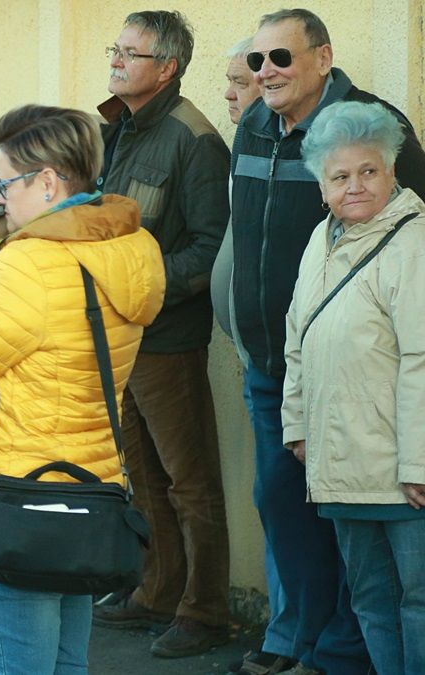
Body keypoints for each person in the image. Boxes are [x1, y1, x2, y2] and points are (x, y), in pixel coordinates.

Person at [0, 104, 165, 675]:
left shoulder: (34, 266)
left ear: (48, 182)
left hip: (15, 503)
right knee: (65, 664)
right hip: (85, 493)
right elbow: (25, 333)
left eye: (6, 182)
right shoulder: (121, 246)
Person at [230, 8, 425, 674]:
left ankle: (339, 652)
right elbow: (286, 315)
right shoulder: (257, 130)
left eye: (279, 58)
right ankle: (306, 643)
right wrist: (288, 402)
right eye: (256, 62)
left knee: (394, 573)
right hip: (294, 393)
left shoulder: (377, 137)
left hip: (377, 413)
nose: (266, 73)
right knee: (294, 517)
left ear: (321, 56)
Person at [91, 10, 233, 659]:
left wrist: (138, 286)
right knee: (141, 473)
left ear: (168, 67)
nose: (116, 61)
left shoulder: (194, 138)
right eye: (116, 49)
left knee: (189, 478)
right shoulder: (116, 127)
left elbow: (210, 251)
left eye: (131, 53)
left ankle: (203, 609)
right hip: (121, 335)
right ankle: (157, 588)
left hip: (167, 337)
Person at [281, 99, 425, 675]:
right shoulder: (321, 240)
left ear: (392, 171)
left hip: (403, 471)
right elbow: (297, 340)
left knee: (418, 602)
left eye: (369, 171)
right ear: (321, 186)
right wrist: (297, 428)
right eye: (340, 176)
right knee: (369, 598)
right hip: (342, 461)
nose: (356, 186)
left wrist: (418, 460)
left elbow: (421, 357)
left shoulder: (414, 244)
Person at [212, 36, 299, 675]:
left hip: (316, 368)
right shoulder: (253, 138)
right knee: (276, 498)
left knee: (321, 510)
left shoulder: (349, 132)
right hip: (262, 360)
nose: (239, 90)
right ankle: (291, 632)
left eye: (277, 61)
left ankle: (319, 641)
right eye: (246, 74)